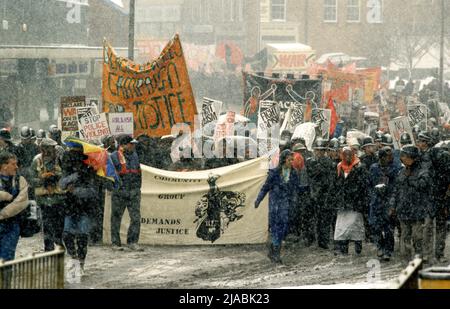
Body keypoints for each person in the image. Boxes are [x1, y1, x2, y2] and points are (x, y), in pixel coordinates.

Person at [255, 150, 300, 263]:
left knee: (284, 228)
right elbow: (265, 187)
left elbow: (295, 189)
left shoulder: (294, 173)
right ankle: (276, 253)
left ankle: (273, 248)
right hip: (275, 204)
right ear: (283, 160)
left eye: (292, 160)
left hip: (286, 204)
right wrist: (258, 199)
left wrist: (295, 201)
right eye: (289, 160)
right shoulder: (274, 173)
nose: (291, 162)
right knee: (276, 228)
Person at [60, 143, 99, 273]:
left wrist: (75, 190)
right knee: (67, 235)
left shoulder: (91, 170)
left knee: (82, 236)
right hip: (69, 207)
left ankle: (81, 262)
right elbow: (62, 184)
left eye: (76, 153)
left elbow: (92, 191)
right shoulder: (68, 169)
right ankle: (74, 257)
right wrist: (73, 177)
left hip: (85, 208)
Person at [391, 145, 432, 262]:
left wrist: (411, 180)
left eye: (405, 156)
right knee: (405, 236)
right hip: (403, 209)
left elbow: (424, 185)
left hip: (417, 209)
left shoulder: (422, 171)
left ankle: (419, 255)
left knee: (417, 236)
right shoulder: (401, 172)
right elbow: (396, 191)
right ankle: (407, 259)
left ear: (412, 157)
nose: (402, 158)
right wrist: (392, 205)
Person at [416, 131, 450, 263]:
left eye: (421, 141)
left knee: (432, 226)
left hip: (436, 195)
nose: (419, 143)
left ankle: (433, 254)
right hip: (434, 195)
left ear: (427, 142)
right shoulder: (423, 155)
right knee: (432, 226)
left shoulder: (436, 155)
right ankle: (433, 254)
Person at [30, 138, 66, 252]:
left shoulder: (60, 159)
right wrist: (43, 179)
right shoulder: (37, 160)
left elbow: (66, 176)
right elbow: (31, 180)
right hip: (44, 199)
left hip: (59, 198)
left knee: (60, 224)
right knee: (47, 225)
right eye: (50, 148)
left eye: (53, 147)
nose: (52, 150)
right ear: (43, 149)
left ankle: (59, 243)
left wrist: (55, 178)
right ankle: (49, 248)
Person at [369, 147, 403, 261]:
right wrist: (373, 192)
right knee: (375, 226)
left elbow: (397, 185)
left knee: (389, 228)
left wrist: (392, 200)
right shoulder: (374, 168)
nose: (391, 158)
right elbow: (369, 183)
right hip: (376, 201)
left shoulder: (395, 168)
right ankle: (380, 246)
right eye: (388, 156)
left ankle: (388, 250)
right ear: (382, 157)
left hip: (389, 200)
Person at [110, 134, 143, 251]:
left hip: (133, 192)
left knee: (136, 218)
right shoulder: (113, 157)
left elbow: (139, 172)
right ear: (123, 145)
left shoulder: (135, 155)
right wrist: (116, 189)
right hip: (119, 192)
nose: (133, 146)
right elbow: (110, 176)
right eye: (131, 144)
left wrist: (137, 189)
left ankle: (132, 242)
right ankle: (115, 243)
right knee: (116, 218)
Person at [334, 147, 369, 255]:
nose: (348, 157)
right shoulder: (339, 167)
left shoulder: (359, 166)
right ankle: (343, 249)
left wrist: (360, 198)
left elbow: (363, 184)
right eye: (345, 155)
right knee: (342, 227)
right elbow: (336, 184)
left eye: (350, 155)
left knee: (356, 226)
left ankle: (358, 248)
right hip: (343, 202)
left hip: (355, 202)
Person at [305, 138, 335, 249]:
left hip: (324, 195)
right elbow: (309, 176)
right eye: (317, 150)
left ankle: (323, 241)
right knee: (311, 220)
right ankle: (311, 240)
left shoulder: (329, 163)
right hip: (312, 195)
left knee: (325, 220)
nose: (319, 152)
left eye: (321, 150)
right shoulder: (309, 162)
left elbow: (330, 180)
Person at [0, 152, 29, 261]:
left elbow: (21, 202)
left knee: (6, 258)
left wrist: (2, 214)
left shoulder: (20, 180)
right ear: (4, 165)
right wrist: (4, 195)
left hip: (12, 225)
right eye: (13, 164)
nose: (16, 167)